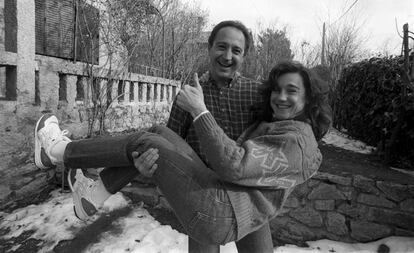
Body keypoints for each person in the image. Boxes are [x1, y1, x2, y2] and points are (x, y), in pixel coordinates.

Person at [34, 61, 332, 252]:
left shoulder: (296, 139)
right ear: (211, 49)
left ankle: (58, 151)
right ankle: (95, 193)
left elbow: (235, 164)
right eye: (277, 90)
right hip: (223, 192)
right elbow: (171, 139)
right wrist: (148, 163)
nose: (280, 97)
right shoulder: (277, 122)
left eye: (291, 91)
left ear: (308, 98)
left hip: (222, 205)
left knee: (146, 139)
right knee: (156, 134)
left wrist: (199, 110)